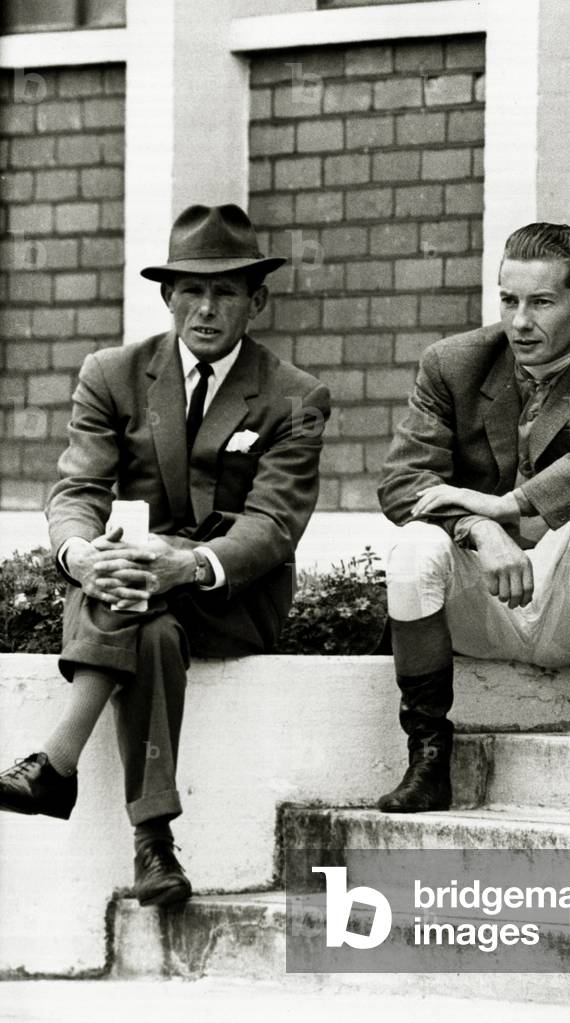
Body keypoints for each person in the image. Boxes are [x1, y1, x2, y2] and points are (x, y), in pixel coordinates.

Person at [0, 203, 330, 904]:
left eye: (228, 291)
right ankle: (154, 845)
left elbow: (273, 523)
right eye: (193, 290)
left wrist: (188, 562)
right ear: (167, 296)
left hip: (233, 596)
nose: (207, 308)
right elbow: (78, 487)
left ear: (257, 301)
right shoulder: (114, 374)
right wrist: (81, 554)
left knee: (141, 592)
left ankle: (57, 761)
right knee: (144, 618)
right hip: (129, 590)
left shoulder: (294, 396)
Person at [376, 221, 570, 815]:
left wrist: (511, 505)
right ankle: (428, 758)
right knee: (416, 544)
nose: (519, 322)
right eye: (509, 300)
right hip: (485, 599)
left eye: (542, 303)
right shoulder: (452, 363)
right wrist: (480, 528)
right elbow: (401, 482)